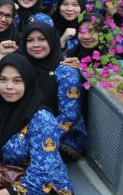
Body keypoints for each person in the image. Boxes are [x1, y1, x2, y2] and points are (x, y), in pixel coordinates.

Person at [0, 54, 74, 195]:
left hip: (45, 188)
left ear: (28, 82)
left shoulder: (42, 119)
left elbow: (42, 173)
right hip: (4, 176)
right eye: (3, 80)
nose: (9, 86)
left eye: (17, 81)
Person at [15, 22, 87, 161]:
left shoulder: (65, 71)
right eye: (30, 40)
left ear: (52, 40)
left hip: (62, 137)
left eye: (42, 39)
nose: (36, 44)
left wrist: (36, 136)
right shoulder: (22, 66)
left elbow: (68, 118)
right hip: (28, 128)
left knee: (16, 151)